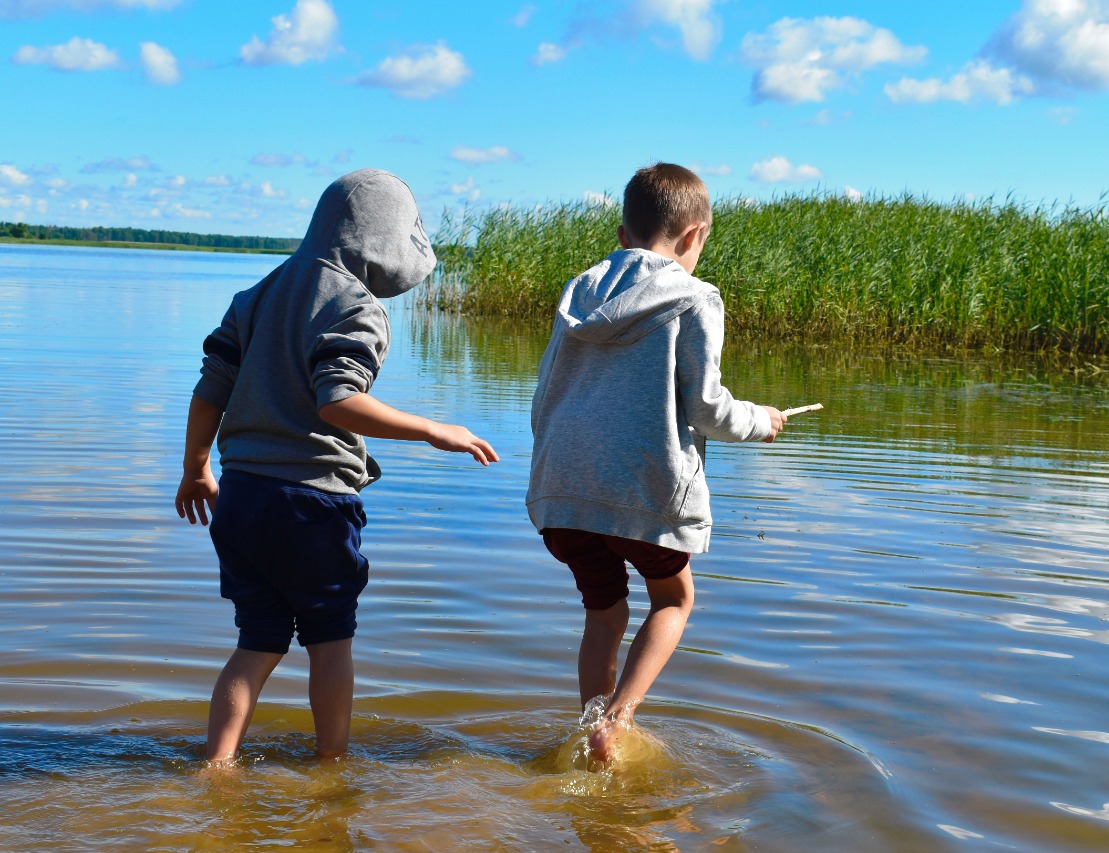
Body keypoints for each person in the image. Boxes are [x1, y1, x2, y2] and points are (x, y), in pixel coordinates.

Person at [175, 168, 499, 763]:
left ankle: (216, 768)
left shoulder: (255, 295)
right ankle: (333, 767)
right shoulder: (355, 304)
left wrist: (197, 467)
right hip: (312, 503)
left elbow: (209, 390)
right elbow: (338, 399)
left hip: (242, 496)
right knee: (330, 642)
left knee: (256, 643)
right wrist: (434, 430)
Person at [526, 162, 785, 762]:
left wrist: (553, 470)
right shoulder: (695, 299)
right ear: (694, 236)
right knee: (674, 599)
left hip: (563, 491)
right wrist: (760, 421)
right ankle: (615, 723)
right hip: (643, 490)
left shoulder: (578, 297)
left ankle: (590, 728)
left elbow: (544, 396)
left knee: (604, 611)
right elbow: (707, 407)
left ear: (623, 235)